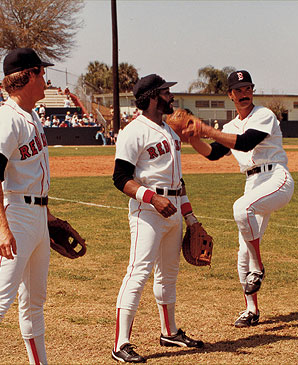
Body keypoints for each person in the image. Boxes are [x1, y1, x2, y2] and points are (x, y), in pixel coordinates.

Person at [185, 70, 294, 327]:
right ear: (230, 95)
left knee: (240, 208)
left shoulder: (264, 115)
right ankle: (251, 310)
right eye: (239, 89)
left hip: (276, 177)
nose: (244, 93)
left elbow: (245, 143)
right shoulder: (230, 127)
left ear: (252, 91)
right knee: (241, 253)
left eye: (248, 88)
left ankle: (258, 266)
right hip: (253, 182)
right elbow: (212, 154)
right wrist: (191, 137)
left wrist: (207, 130)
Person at [0, 48, 57, 364]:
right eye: (42, 73)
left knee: (34, 302)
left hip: (35, 216)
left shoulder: (31, 116)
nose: (46, 79)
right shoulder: (5, 119)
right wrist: (2, 229)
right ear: (28, 76)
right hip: (15, 215)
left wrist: (48, 217)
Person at [111, 74, 204, 363]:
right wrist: (151, 198)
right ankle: (121, 343)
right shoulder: (133, 132)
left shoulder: (170, 131)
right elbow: (120, 178)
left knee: (169, 275)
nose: (171, 97)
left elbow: (179, 182)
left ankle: (169, 331)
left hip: (174, 207)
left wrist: (191, 219)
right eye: (166, 92)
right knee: (138, 273)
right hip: (148, 213)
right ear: (153, 96)